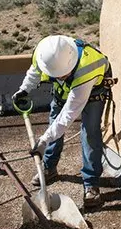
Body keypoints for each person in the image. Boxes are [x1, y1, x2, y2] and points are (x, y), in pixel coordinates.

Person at [11, 35, 114, 209]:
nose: (61, 76)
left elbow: (68, 115)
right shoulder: (44, 53)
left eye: (63, 74)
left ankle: (91, 183)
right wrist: (24, 89)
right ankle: (49, 168)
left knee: (90, 133)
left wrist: (43, 140)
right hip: (63, 92)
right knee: (54, 122)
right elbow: (35, 71)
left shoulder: (86, 67)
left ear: (72, 63)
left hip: (93, 92)